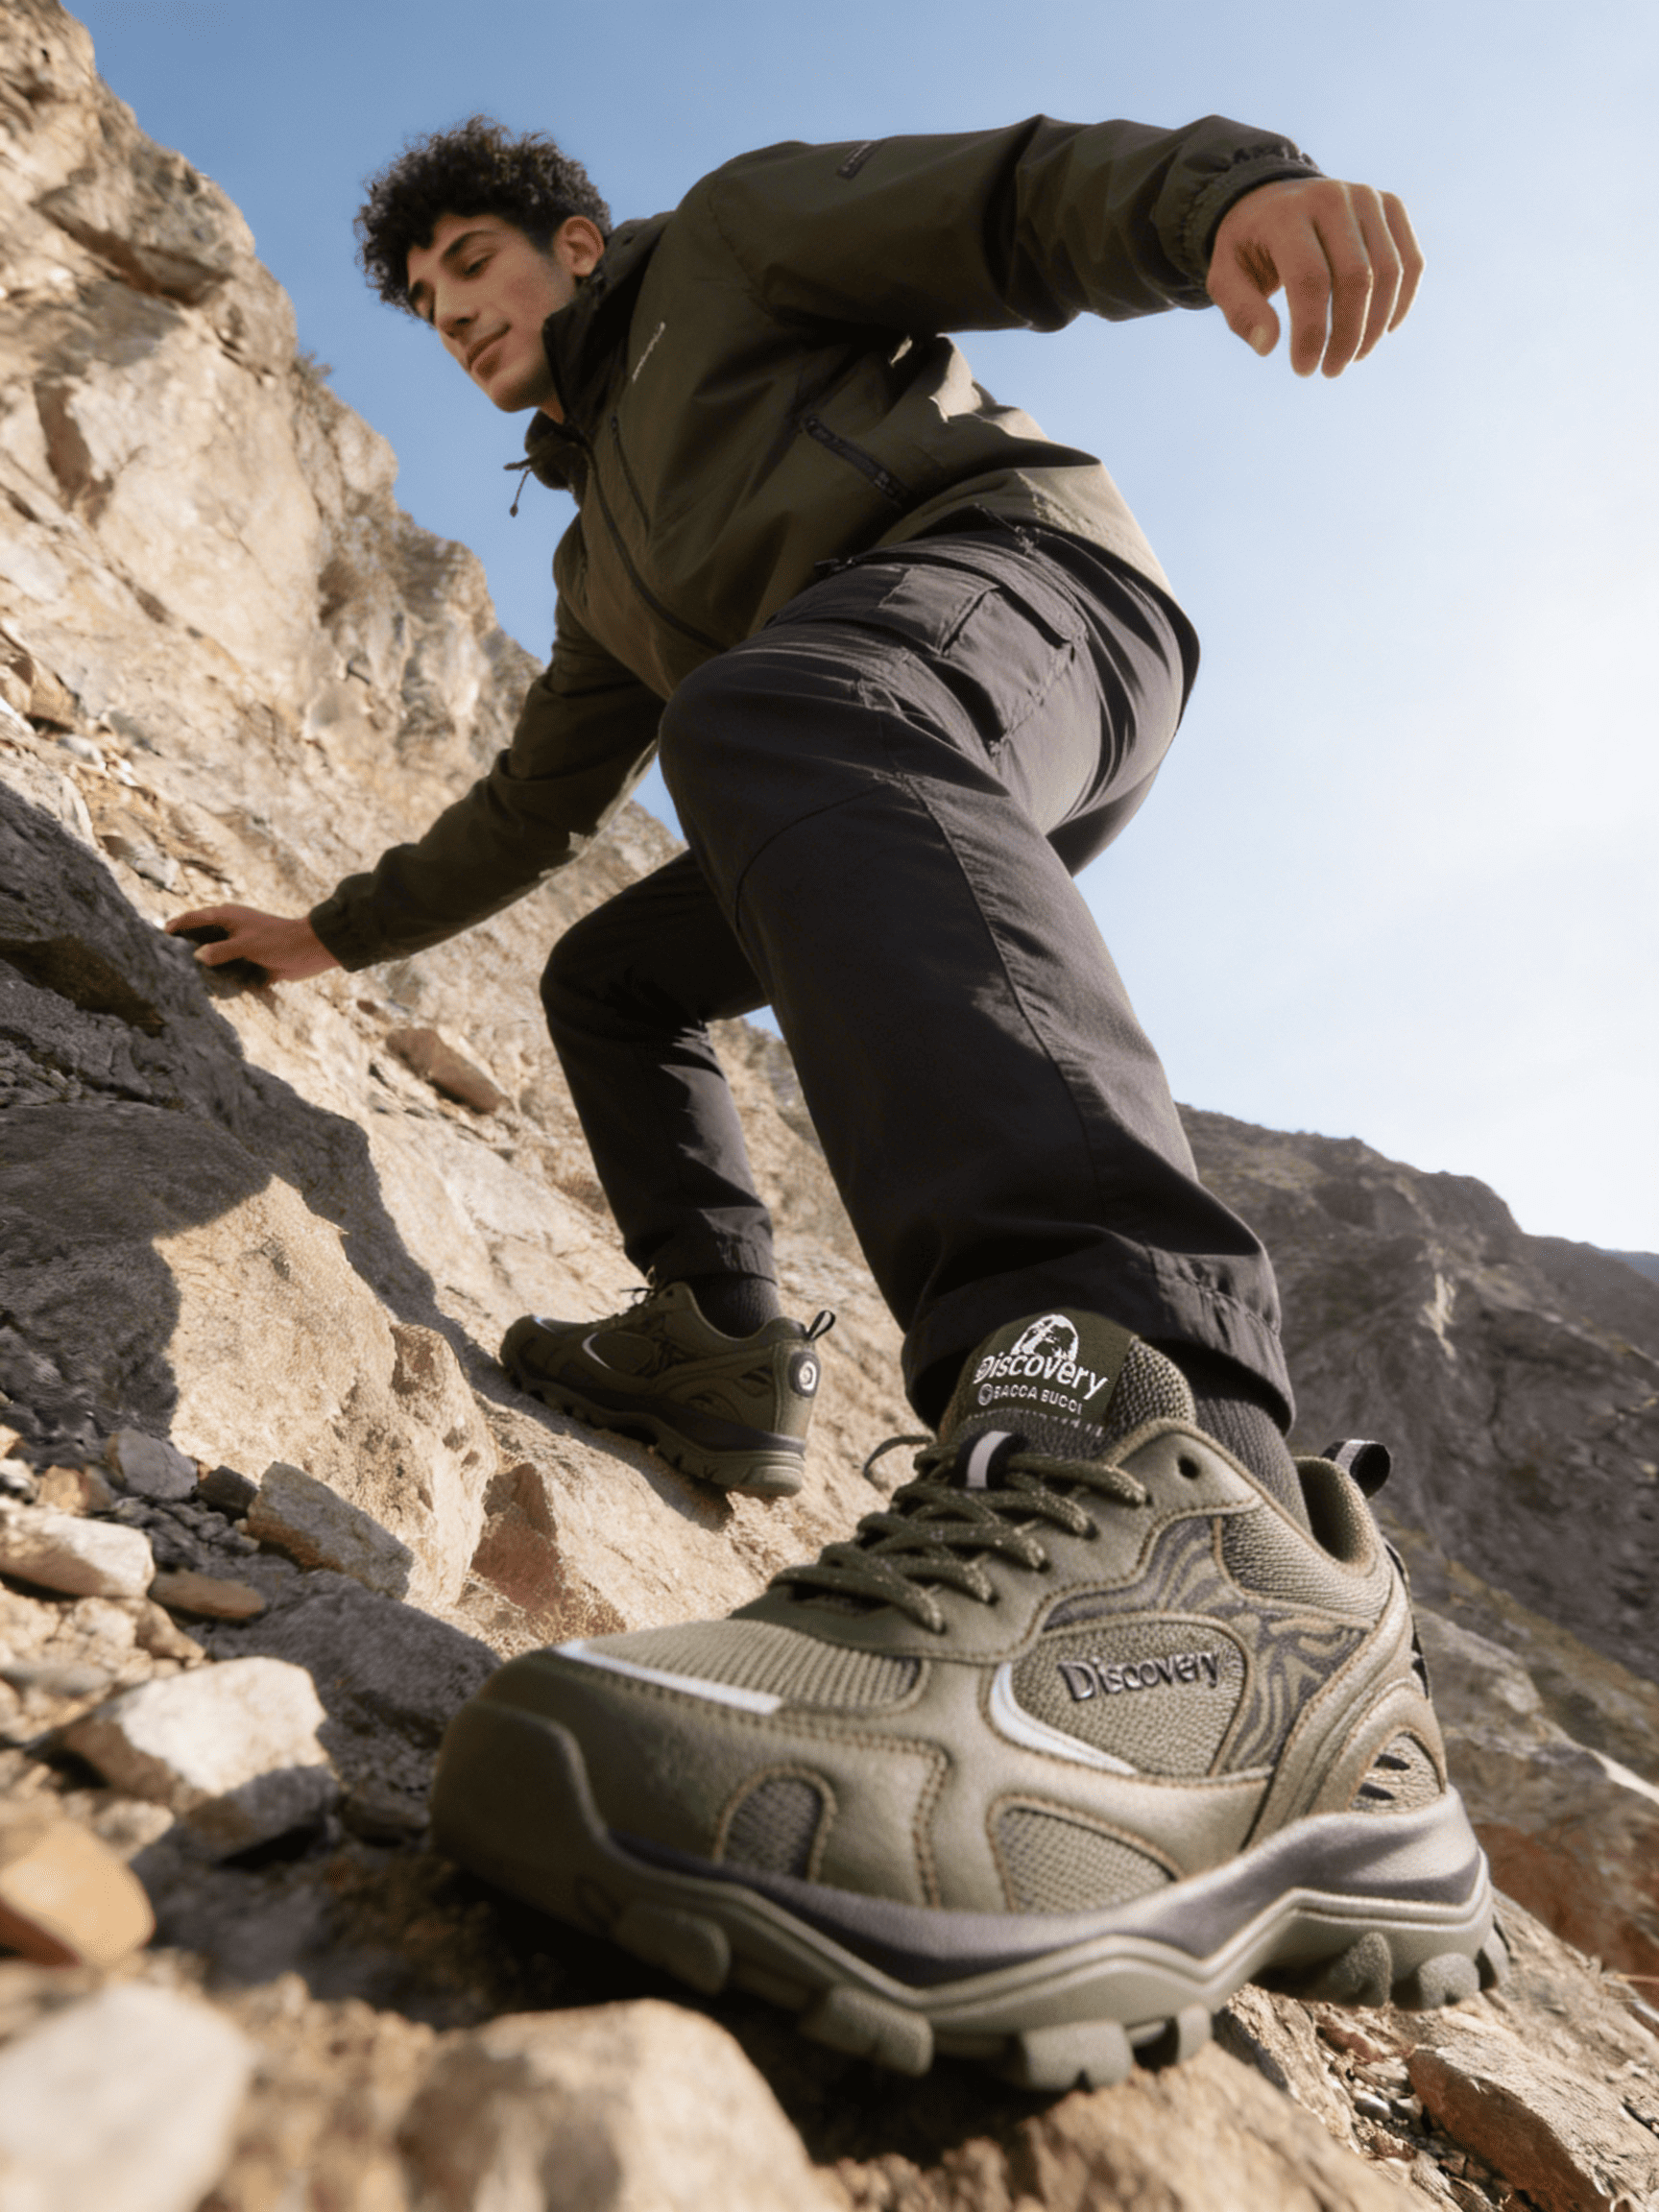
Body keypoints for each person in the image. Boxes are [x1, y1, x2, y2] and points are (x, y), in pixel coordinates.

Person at [173, 114, 1503, 2078]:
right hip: (848, 713)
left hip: (1029, 593)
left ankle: (1186, 1510)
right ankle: (720, 1343)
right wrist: (325, 935)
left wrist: (1227, 197)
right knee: (612, 972)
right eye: (430, 310)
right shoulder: (608, 557)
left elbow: (1002, 203)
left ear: (573, 242)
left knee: (793, 704)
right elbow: (530, 810)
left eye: (476, 272)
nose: (458, 321)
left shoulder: (731, 247)